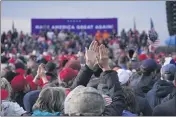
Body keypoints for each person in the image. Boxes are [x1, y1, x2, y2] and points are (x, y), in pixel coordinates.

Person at [66, 41, 125, 116]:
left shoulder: (69, 112)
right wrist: (106, 67)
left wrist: (88, 66)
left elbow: (71, 94)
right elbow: (118, 99)